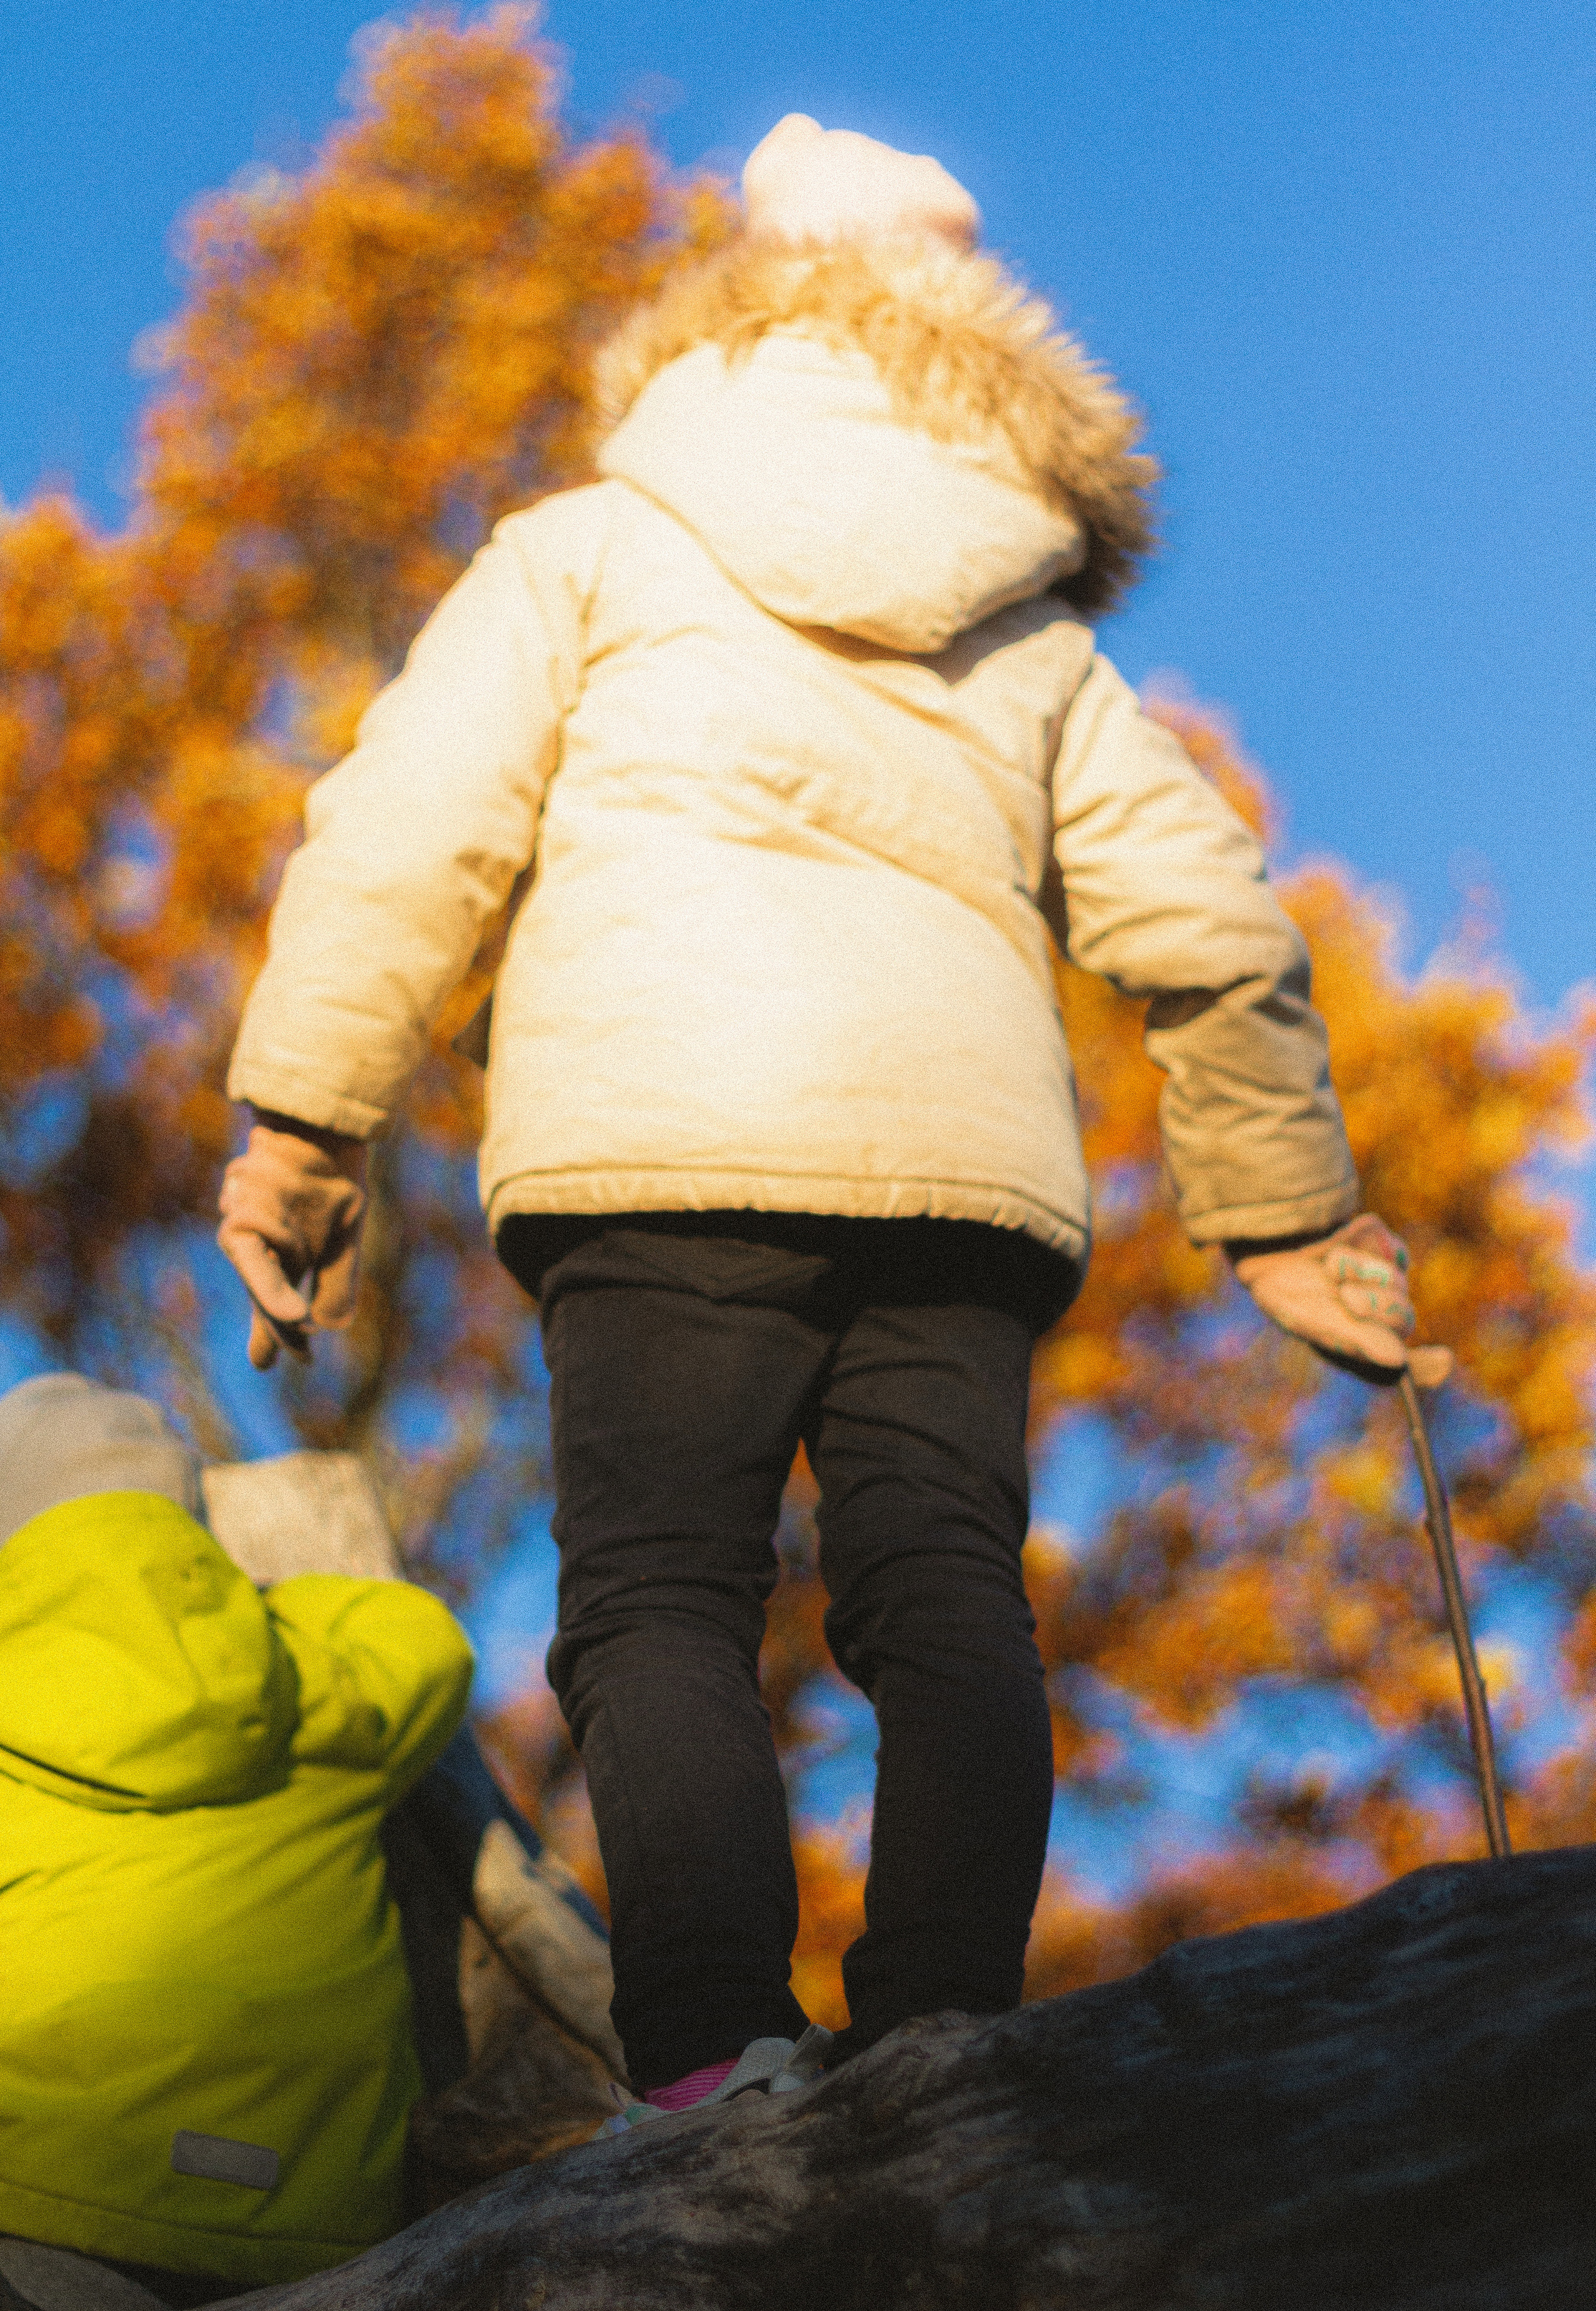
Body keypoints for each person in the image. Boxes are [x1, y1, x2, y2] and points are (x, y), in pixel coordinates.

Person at [217, 115, 1441, 2117]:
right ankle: (952, 2040)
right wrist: (1288, 1216)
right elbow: (1215, 926)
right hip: (965, 1185)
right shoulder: (1039, 644)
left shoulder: (591, 550)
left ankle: (712, 2057)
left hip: (656, 1140)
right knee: (943, 1586)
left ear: (731, 304)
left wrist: (302, 1126)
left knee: (659, 1595)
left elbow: (402, 839)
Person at [0, 1373, 473, 2291]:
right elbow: (432, 1644)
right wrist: (271, 1606)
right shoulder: (317, 1685)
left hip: (35, 2188)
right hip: (310, 2223)